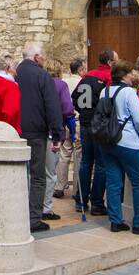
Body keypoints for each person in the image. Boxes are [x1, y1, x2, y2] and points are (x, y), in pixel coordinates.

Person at [96, 59, 139, 237]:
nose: (135, 75)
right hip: (127, 140)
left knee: (114, 181)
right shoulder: (129, 92)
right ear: (125, 74)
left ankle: (116, 220)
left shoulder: (105, 91)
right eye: (132, 72)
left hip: (108, 140)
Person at [17, 42, 64, 233]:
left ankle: (17, 212)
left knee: (19, 174)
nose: (44, 59)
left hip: (17, 131)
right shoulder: (42, 75)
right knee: (37, 176)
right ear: (36, 58)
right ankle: (33, 218)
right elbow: (52, 106)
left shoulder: (15, 74)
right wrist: (57, 133)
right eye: (43, 56)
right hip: (37, 133)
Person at [73, 49, 117, 216]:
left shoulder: (88, 75)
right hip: (99, 125)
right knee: (101, 164)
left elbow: (75, 97)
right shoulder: (108, 77)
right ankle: (97, 203)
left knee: (86, 162)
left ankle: (81, 199)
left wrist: (84, 111)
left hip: (84, 123)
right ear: (110, 62)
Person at [42, 59, 74, 219]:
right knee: (50, 172)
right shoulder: (61, 85)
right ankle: (46, 208)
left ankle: (32, 204)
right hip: (52, 132)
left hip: (36, 131)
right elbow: (67, 108)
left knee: (35, 171)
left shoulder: (39, 82)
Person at [54, 58, 85, 204]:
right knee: (78, 155)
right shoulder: (83, 83)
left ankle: (60, 186)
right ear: (79, 70)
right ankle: (76, 189)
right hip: (77, 121)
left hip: (63, 121)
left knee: (64, 154)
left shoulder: (64, 82)